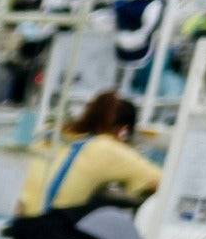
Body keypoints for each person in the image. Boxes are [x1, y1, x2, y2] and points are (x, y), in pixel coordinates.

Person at [17, 92, 160, 216]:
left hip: (15, 210)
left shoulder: (53, 132)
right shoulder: (107, 148)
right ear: (124, 131)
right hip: (39, 223)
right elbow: (161, 180)